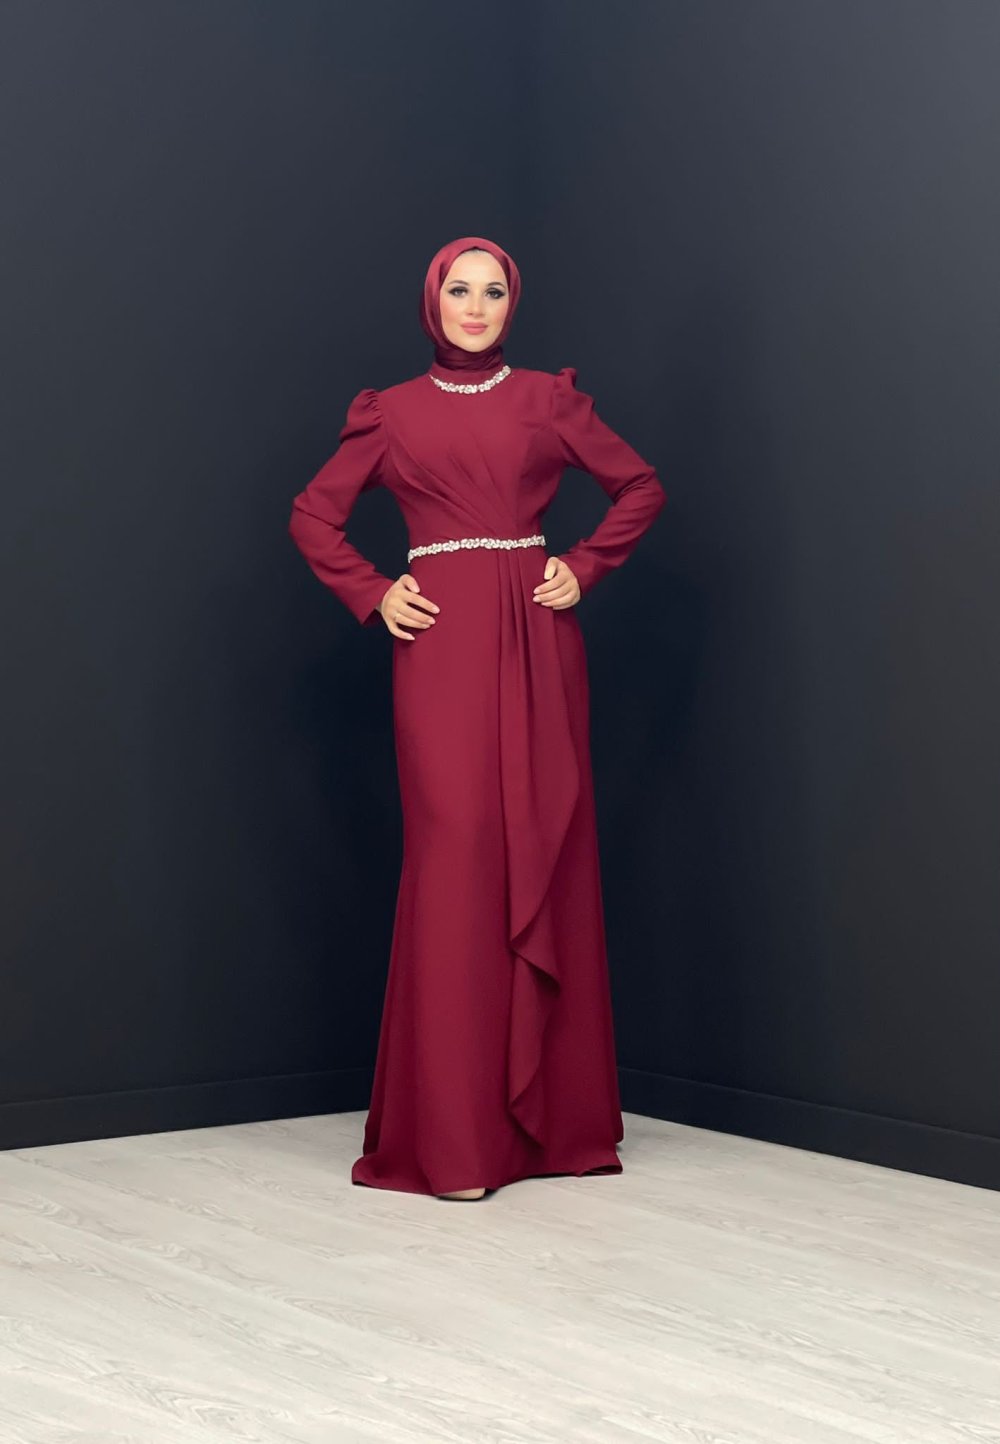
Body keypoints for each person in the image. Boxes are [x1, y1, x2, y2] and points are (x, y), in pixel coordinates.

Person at [289, 235, 666, 1201]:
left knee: (544, 840)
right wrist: (375, 592)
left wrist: (583, 567)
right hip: (443, 644)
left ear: (511, 305)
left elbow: (640, 486)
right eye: (459, 289)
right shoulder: (390, 413)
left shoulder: (548, 399)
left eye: (493, 291)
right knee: (456, 856)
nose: (475, 305)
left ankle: (554, 1131)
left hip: (539, 638)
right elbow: (313, 516)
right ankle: (455, 1145)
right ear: (433, 301)